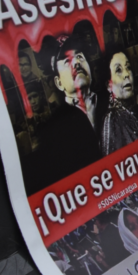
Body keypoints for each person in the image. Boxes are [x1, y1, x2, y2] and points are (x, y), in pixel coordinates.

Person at [24, 34, 103, 194]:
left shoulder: (109, 103)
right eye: (67, 62)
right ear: (58, 83)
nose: (76, 63)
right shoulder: (55, 128)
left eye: (80, 56)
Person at [100, 51, 138, 156]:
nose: (126, 75)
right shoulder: (112, 119)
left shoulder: (131, 111)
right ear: (108, 85)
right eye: (118, 70)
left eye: (128, 68)